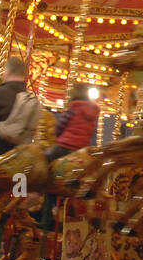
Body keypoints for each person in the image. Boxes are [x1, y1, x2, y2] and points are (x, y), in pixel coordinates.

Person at [36, 83, 100, 230]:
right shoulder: (93, 113)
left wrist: (55, 132)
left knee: (42, 160)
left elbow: (60, 127)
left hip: (65, 147)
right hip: (80, 150)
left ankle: (36, 190)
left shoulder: (74, 108)